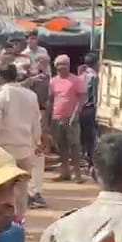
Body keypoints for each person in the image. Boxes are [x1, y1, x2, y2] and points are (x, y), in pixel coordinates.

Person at [0, 64, 43, 221]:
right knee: (22, 189)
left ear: (0, 77)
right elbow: (36, 123)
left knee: (4, 189)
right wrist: (37, 142)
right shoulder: (31, 96)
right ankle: (19, 220)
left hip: (4, 151)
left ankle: (7, 221)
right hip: (25, 149)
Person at [48, 54, 86, 182]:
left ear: (69, 66)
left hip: (71, 118)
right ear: (56, 66)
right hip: (57, 117)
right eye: (60, 64)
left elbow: (82, 98)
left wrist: (75, 114)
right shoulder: (53, 81)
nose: (62, 67)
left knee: (74, 146)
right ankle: (65, 172)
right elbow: (51, 99)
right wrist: (48, 118)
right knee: (61, 146)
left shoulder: (76, 80)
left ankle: (78, 174)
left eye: (65, 64)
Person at [79, 52, 100, 173]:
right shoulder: (94, 77)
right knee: (91, 137)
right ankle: (91, 162)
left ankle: (85, 160)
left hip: (81, 109)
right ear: (96, 63)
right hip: (90, 109)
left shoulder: (81, 75)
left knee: (83, 137)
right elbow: (96, 96)